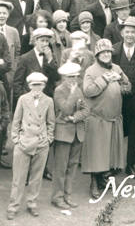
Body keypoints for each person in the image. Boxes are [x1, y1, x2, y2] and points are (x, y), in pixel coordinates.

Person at [83, 38, 131, 198]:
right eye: (102, 52)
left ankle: (104, 179)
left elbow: (128, 86)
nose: (106, 55)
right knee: (97, 153)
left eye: (108, 52)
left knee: (109, 153)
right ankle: (94, 183)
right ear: (97, 54)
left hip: (114, 118)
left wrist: (120, 86)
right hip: (98, 118)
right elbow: (88, 91)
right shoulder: (91, 70)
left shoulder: (117, 68)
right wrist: (104, 80)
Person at [8, 70, 55, 219]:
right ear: (29, 85)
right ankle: (13, 206)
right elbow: (16, 121)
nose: (37, 88)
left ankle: (32, 203)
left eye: (40, 85)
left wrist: (48, 139)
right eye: (34, 85)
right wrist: (16, 139)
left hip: (41, 144)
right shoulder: (22, 99)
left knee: (36, 177)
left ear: (43, 86)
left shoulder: (48, 101)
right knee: (18, 178)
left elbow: (51, 122)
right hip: (24, 143)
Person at [51, 60, 88, 210]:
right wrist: (73, 94)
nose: (74, 80)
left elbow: (86, 110)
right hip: (63, 134)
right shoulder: (59, 90)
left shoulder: (79, 90)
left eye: (76, 77)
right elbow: (65, 109)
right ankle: (57, 197)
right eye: (70, 77)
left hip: (77, 132)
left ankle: (68, 195)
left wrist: (75, 117)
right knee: (61, 167)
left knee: (72, 167)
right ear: (64, 77)